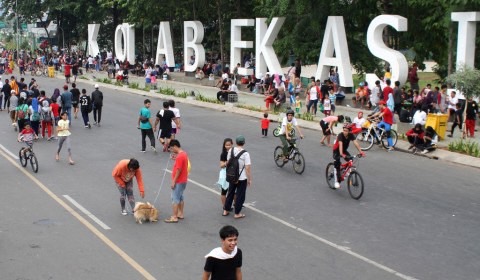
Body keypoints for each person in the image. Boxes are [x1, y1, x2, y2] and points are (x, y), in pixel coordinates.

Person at [222, 135, 252, 219]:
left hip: (232, 176)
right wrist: (249, 179)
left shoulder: (231, 150)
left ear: (235, 142)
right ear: (244, 143)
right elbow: (247, 168)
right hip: (242, 178)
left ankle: (226, 210)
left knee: (230, 192)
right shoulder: (245, 154)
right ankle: (237, 213)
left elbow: (228, 162)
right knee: (240, 195)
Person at [332, 123, 365, 189]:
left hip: (344, 150)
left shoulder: (351, 135)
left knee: (351, 160)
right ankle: (336, 182)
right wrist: (342, 154)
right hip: (337, 150)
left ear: (349, 131)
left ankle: (343, 171)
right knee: (337, 164)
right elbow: (340, 145)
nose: (345, 132)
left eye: (346, 131)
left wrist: (361, 152)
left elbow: (356, 143)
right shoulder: (340, 135)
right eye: (344, 130)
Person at [165, 139, 189, 223]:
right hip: (183, 180)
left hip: (178, 181)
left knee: (174, 198)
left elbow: (178, 169)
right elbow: (181, 164)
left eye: (171, 148)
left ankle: (174, 216)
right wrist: (175, 158)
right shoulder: (183, 154)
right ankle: (180, 213)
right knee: (180, 197)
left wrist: (173, 181)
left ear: (175, 146)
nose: (171, 150)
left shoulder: (179, 156)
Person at [216, 138, 233, 207]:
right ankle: (225, 206)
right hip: (225, 174)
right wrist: (226, 163)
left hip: (233, 173)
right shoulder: (223, 154)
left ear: (232, 144)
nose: (228, 146)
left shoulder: (234, 152)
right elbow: (221, 165)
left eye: (229, 145)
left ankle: (236, 204)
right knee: (224, 191)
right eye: (226, 145)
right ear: (224, 145)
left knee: (234, 191)